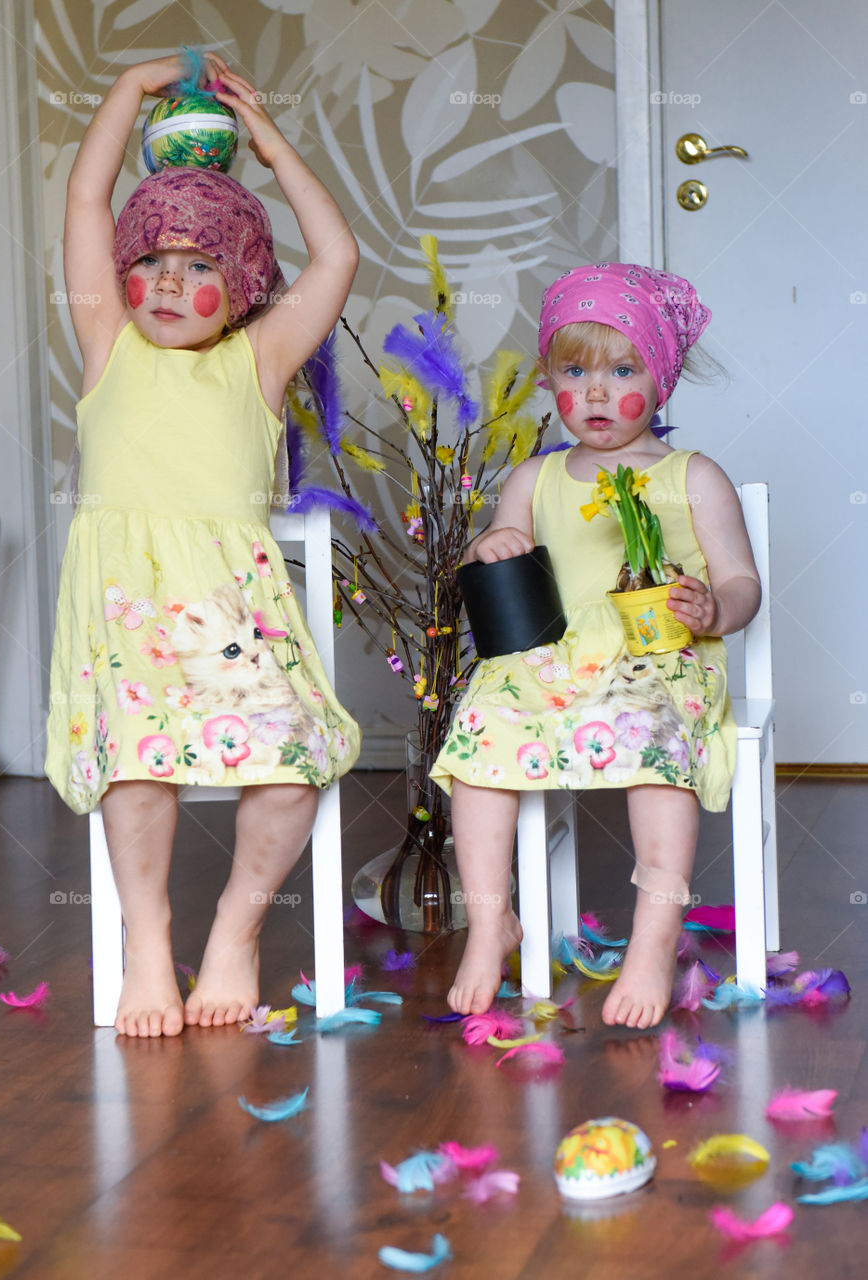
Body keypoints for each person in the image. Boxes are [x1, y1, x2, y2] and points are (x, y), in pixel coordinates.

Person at [45, 52, 361, 1038]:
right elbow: (88, 197)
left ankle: (236, 924)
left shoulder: (257, 361)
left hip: (231, 610)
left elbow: (338, 257)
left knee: (291, 769)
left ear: (245, 282)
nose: (168, 284)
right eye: (151, 263)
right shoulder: (109, 344)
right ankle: (150, 935)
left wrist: (267, 140)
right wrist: (127, 94)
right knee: (135, 768)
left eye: (199, 266)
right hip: (126, 612)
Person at [430, 262, 761, 1029]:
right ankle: (491, 925)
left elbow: (743, 581)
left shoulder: (692, 476)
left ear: (663, 378)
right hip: (553, 657)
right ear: (550, 381)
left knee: (653, 745)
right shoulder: (536, 478)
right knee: (480, 735)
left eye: (623, 369)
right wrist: (498, 543)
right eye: (576, 371)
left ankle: (653, 936)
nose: (599, 392)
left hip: (656, 655)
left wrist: (714, 608)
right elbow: (498, 563)